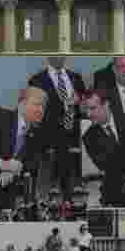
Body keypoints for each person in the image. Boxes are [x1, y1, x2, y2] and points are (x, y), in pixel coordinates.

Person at [28, 57, 87, 202]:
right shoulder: (37, 80)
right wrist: (65, 106)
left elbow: (83, 106)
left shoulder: (76, 78)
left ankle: (68, 190)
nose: (59, 56)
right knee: (61, 145)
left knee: (73, 142)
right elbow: (37, 110)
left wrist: (78, 104)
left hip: (74, 130)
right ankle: (65, 191)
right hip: (49, 131)